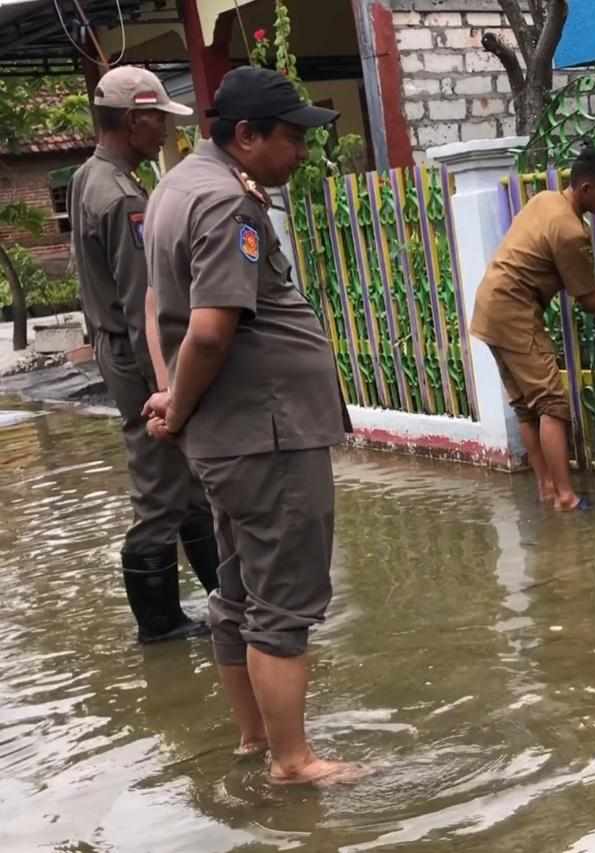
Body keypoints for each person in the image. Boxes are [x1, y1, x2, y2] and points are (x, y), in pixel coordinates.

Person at [141, 66, 360, 785]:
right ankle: (293, 762)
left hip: (230, 437)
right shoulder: (228, 206)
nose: (301, 152)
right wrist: (176, 400)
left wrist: (173, 395)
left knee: (235, 593)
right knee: (283, 601)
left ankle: (253, 738)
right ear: (246, 135)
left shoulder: (175, 187)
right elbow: (208, 329)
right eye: (291, 138)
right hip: (267, 432)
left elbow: (155, 303)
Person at [68, 66, 221, 645]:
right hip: (136, 360)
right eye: (159, 118)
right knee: (162, 491)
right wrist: (168, 393)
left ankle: (219, 602)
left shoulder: (89, 177)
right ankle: (159, 629)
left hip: (115, 351)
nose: (164, 131)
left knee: (188, 487)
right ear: (134, 119)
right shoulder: (123, 198)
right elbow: (145, 309)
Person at [469, 146, 595, 511]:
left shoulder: (545, 201)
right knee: (552, 403)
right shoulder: (571, 230)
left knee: (526, 406)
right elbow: (586, 301)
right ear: (586, 187)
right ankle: (566, 496)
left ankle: (546, 487)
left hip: (490, 306)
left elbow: (571, 280)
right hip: (514, 311)